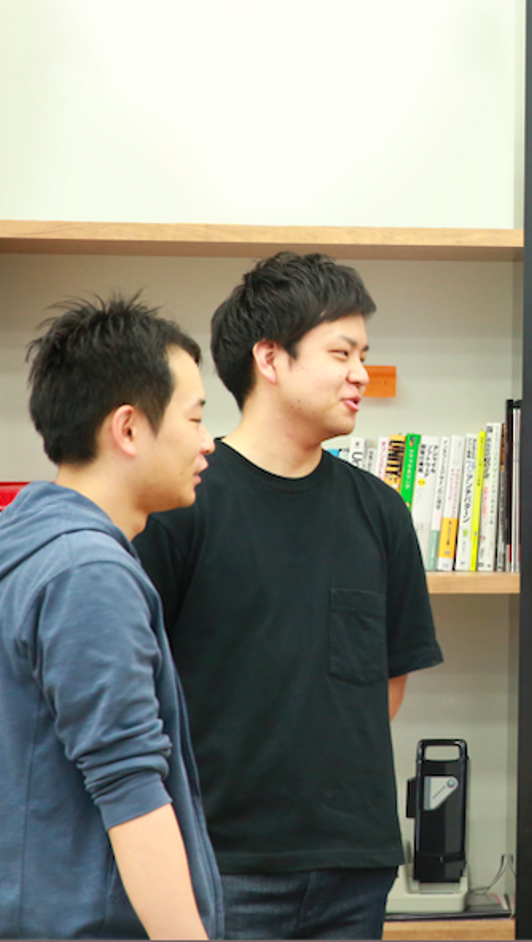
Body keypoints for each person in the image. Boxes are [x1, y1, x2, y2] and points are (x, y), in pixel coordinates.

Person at [134, 252, 443, 940]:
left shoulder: (381, 511)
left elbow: (386, 682)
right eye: (341, 353)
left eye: (364, 355)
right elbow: (136, 686)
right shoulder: (182, 503)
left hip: (355, 865)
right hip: (220, 861)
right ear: (270, 359)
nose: (360, 373)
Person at [0, 296, 222, 939]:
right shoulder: (86, 573)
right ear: (128, 429)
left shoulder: (29, 546)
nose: (207, 441)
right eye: (195, 417)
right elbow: (130, 788)